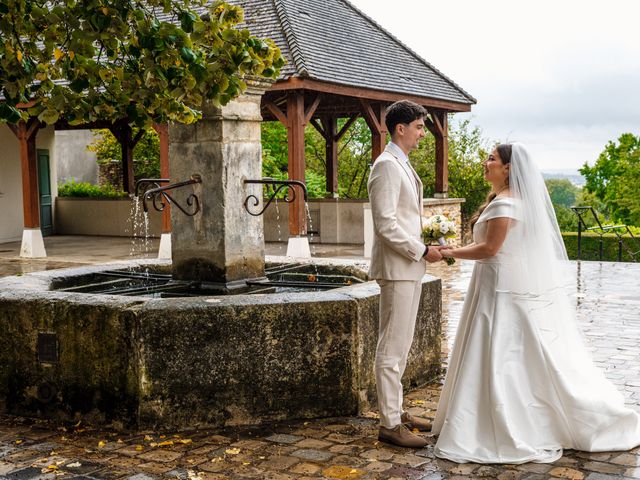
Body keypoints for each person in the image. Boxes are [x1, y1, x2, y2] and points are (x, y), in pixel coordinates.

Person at [433, 143, 640, 463]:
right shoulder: (507, 201)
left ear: (508, 169)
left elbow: (489, 249)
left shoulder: (506, 206)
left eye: (492, 159)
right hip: (493, 284)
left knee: (504, 351)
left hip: (499, 287)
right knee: (510, 351)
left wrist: (448, 252)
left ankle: (503, 419)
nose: (485, 163)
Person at [367, 100, 443, 448]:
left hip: (409, 268)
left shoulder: (403, 164)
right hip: (398, 269)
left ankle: (397, 412)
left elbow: (406, 218)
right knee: (391, 347)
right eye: (419, 126)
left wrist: (429, 241)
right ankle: (389, 424)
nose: (422, 132)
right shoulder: (385, 166)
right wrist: (422, 249)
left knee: (404, 344)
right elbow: (385, 225)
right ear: (400, 128)